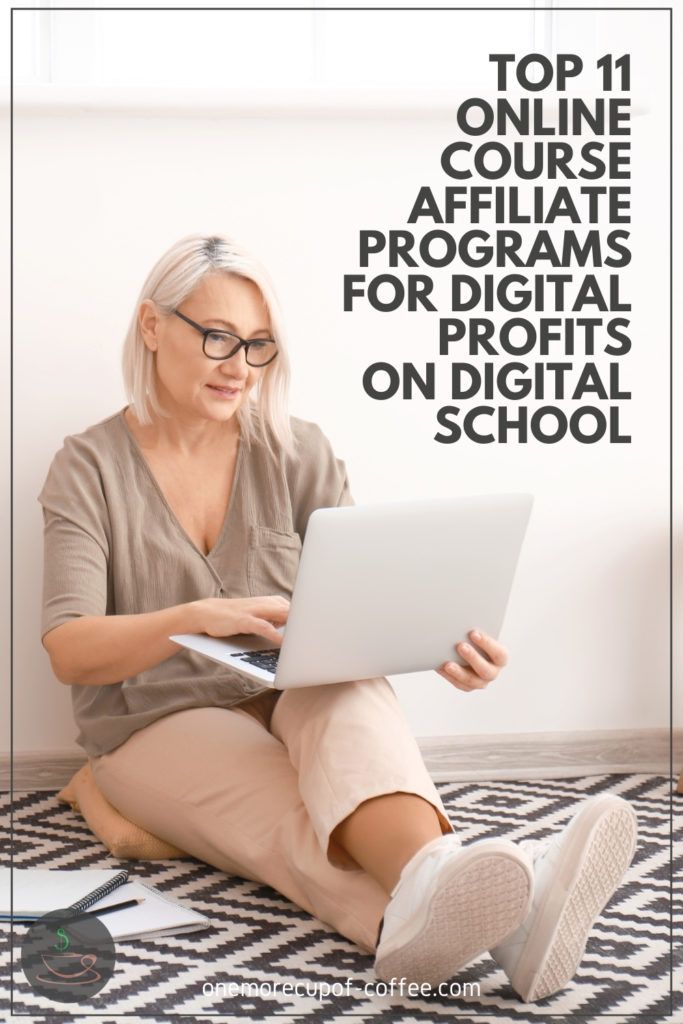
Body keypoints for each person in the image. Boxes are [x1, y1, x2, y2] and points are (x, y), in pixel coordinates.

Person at [39, 233, 637, 1001]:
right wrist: (195, 616)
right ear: (153, 326)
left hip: (294, 681)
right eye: (218, 336)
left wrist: (444, 646)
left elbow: (365, 599)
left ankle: (456, 900)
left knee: (352, 704)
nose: (239, 367)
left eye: (259, 346)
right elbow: (69, 650)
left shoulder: (297, 450)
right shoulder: (87, 467)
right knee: (294, 818)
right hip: (157, 716)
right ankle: (505, 926)